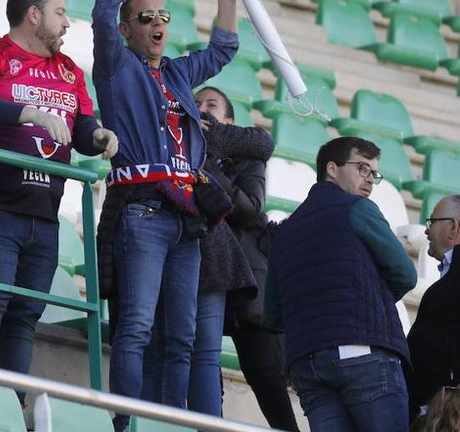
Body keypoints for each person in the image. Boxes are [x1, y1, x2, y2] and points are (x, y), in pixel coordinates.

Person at [91, 0, 239, 431]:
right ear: (129, 29)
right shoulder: (115, 65)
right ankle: (126, 425)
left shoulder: (176, 72)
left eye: (163, 16)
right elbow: (103, 13)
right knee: (134, 328)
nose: (157, 23)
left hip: (187, 221)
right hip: (145, 213)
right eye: (145, 16)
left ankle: (167, 424)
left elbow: (224, 49)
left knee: (182, 336)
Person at [0, 0, 117, 383]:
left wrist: (97, 137)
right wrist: (28, 112)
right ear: (33, 15)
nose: (66, 23)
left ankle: (10, 403)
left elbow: (82, 125)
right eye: (60, 13)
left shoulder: (69, 70)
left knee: (26, 313)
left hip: (44, 214)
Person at [266, 136, 418, 432]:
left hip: (307, 364)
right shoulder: (359, 209)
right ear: (331, 168)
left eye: (374, 173)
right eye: (362, 168)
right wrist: (370, 295)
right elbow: (406, 274)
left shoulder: (284, 231)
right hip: (363, 352)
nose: (370, 180)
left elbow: (273, 315)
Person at [196, 86, 299, 431]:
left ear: (227, 122)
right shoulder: (179, 151)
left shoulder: (248, 158)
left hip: (245, 277)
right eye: (195, 103)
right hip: (200, 270)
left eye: (211, 105)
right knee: (204, 362)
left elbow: (249, 208)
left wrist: (210, 168)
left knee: (266, 374)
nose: (201, 109)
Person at [408, 194, 460, 420]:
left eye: (432, 222)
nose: (427, 231)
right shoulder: (448, 279)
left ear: (453, 227)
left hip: (442, 412)